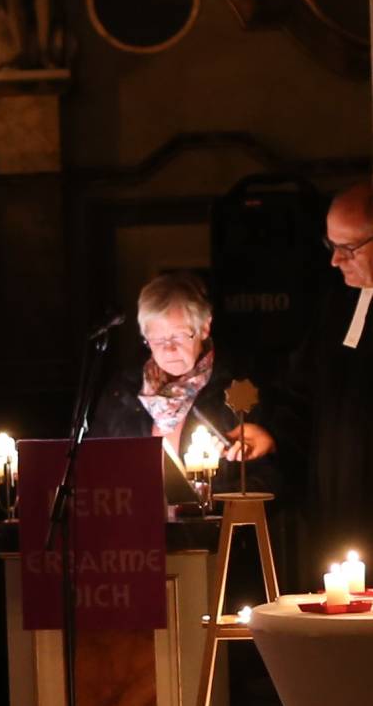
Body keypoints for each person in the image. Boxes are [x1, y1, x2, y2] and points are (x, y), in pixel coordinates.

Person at [239, 180, 373, 563]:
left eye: (348, 248)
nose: (335, 261)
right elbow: (302, 393)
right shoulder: (339, 306)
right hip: (339, 513)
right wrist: (272, 434)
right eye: (331, 246)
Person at [88, 271, 275, 493]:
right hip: (138, 523)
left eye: (179, 336)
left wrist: (212, 506)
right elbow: (95, 468)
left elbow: (271, 476)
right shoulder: (123, 392)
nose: (169, 348)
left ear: (204, 328)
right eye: (157, 339)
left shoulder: (238, 390)